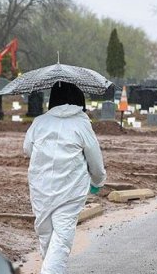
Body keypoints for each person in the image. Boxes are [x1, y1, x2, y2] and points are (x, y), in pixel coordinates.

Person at [23, 81, 107, 274]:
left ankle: (51, 269)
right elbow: (94, 158)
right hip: (70, 189)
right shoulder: (81, 123)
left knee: (45, 233)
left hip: (41, 187)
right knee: (62, 237)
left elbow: (27, 149)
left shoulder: (40, 122)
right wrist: (98, 180)